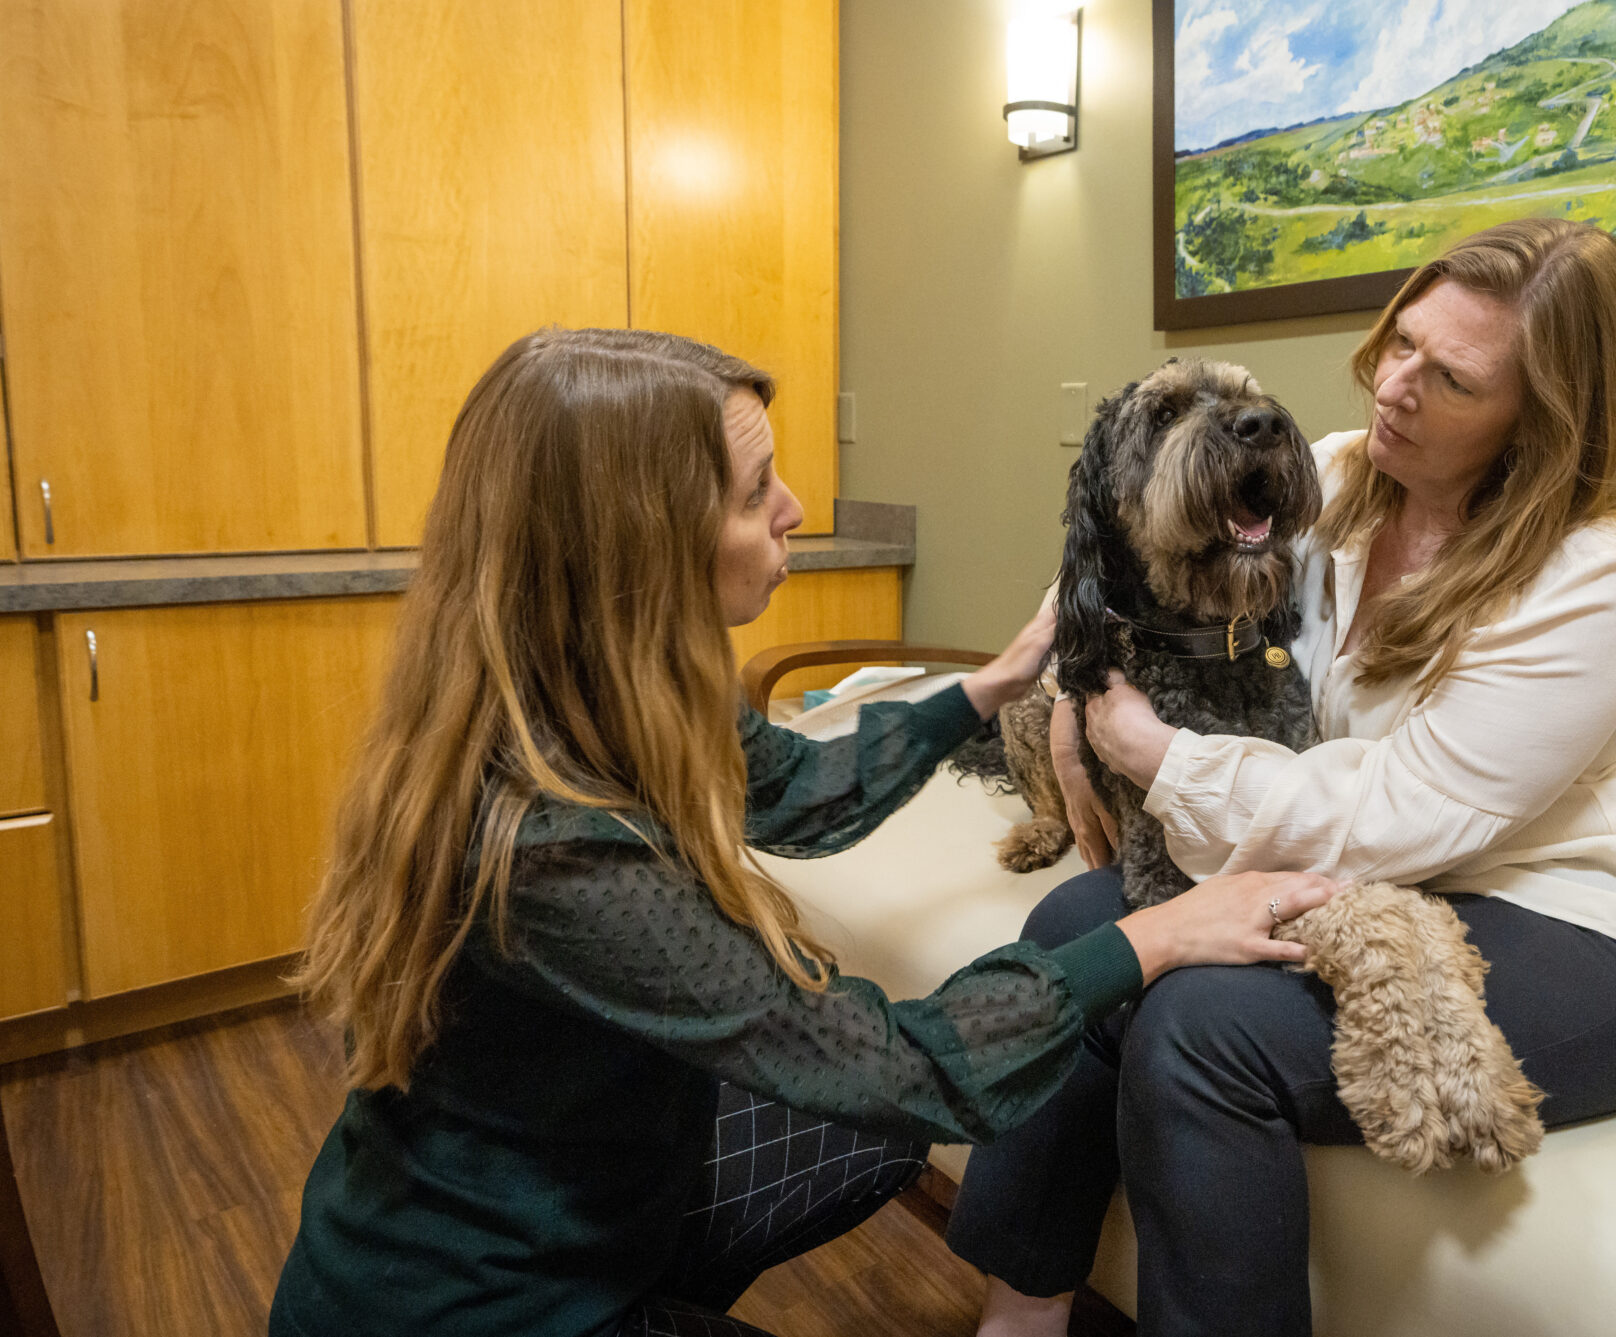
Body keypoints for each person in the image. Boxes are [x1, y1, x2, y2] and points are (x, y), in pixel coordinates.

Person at [267, 327, 1336, 1337]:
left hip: (591, 1196)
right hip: (476, 1304)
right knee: (886, 1100)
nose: (793, 508)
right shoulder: (556, 846)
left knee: (870, 1145)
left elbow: (795, 787)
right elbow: (891, 1065)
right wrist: (1157, 934)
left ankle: (663, 1282)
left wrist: (993, 683)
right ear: (638, 541)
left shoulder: (621, 693)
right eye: (751, 492)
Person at [946, 219, 1616, 1337]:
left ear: (1544, 422)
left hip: (1594, 923)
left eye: (1453, 378)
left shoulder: (1591, 582)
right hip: (1399, 882)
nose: (1397, 387)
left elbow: (1398, 815)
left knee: (1200, 1021)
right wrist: (1081, 698)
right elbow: (1124, 535)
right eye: (1400, 343)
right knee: (1076, 931)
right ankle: (1021, 1313)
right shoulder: (1342, 476)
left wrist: (1157, 755)